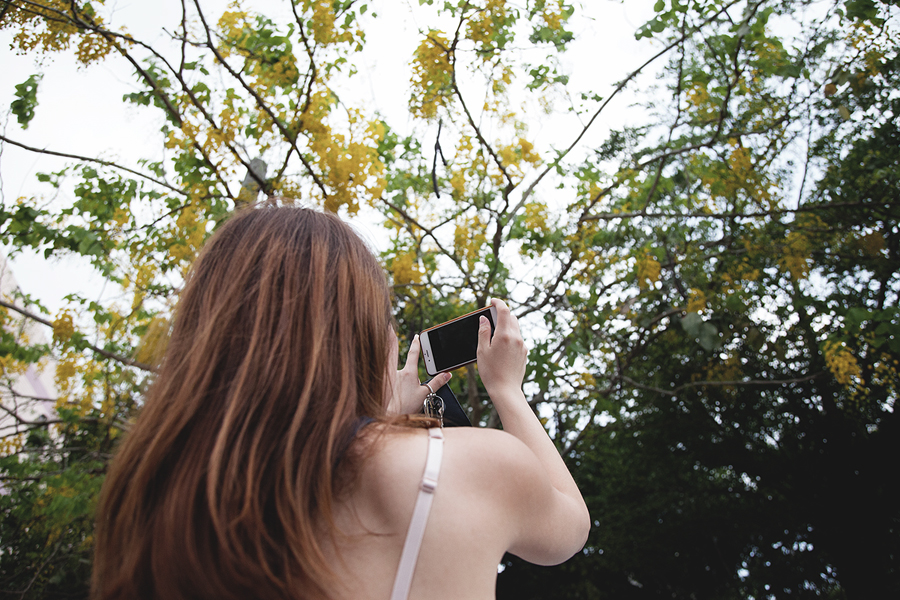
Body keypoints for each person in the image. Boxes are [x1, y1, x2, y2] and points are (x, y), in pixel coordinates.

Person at [92, 206, 590, 600]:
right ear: (360, 335)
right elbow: (568, 528)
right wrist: (506, 390)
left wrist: (384, 420)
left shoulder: (151, 493)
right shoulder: (465, 468)